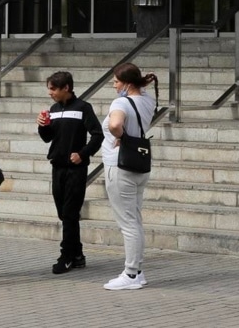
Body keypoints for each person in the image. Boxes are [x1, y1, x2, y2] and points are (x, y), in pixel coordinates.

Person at [37, 71, 104, 274]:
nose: (50, 93)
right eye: (49, 88)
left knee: (69, 213)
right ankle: (78, 255)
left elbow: (97, 135)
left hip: (76, 169)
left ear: (66, 88)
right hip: (57, 167)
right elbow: (48, 138)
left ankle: (66, 256)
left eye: (53, 89)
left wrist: (82, 154)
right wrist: (42, 126)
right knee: (63, 212)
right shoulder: (54, 109)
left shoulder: (83, 108)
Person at [100, 62, 157, 291]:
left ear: (128, 84)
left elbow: (115, 124)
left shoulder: (121, 102)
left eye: (116, 81)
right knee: (135, 218)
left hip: (119, 165)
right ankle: (138, 271)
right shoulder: (147, 100)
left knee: (128, 223)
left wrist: (121, 135)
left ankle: (131, 274)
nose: (114, 85)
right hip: (139, 165)